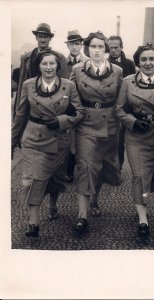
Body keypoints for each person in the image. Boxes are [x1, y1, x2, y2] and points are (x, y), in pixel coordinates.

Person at [12, 50, 84, 237]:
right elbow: (20, 115)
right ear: (38, 66)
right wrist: (11, 142)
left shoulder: (68, 86)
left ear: (58, 67)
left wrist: (62, 121)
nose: (48, 67)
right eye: (44, 64)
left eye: (52, 64)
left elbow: (80, 113)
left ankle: (53, 205)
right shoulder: (29, 85)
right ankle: (33, 223)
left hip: (59, 139)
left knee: (55, 178)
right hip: (33, 138)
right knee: (31, 180)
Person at [115, 42, 154, 238]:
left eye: (152, 59)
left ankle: (142, 200)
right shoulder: (128, 82)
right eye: (143, 59)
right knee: (139, 175)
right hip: (135, 135)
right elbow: (119, 110)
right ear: (137, 62)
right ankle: (143, 217)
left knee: (152, 175)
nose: (148, 63)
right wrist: (133, 122)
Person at [70, 31, 123, 235]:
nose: (97, 50)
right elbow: (70, 96)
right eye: (93, 46)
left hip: (110, 126)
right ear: (87, 49)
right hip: (85, 125)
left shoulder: (117, 71)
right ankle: (82, 216)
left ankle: (95, 200)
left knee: (100, 167)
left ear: (107, 50)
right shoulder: (77, 70)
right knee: (85, 166)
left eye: (101, 47)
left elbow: (123, 99)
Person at [14, 23, 68, 114]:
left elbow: (64, 85)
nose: (43, 40)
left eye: (46, 37)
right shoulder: (26, 57)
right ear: (36, 37)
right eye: (40, 36)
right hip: (29, 101)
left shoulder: (59, 57)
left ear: (50, 38)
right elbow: (21, 83)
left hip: (49, 103)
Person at [108, 35, 136, 171]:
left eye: (116, 47)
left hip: (124, 108)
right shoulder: (104, 63)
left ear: (121, 47)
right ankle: (107, 167)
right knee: (108, 139)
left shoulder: (129, 64)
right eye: (111, 47)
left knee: (120, 141)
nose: (113, 50)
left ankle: (117, 168)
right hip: (108, 107)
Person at [64, 30, 87, 183]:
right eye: (71, 44)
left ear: (81, 45)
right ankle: (68, 172)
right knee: (68, 142)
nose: (74, 47)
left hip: (83, 106)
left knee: (83, 141)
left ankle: (85, 173)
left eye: (77, 44)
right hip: (66, 107)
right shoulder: (60, 62)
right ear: (68, 45)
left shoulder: (88, 62)